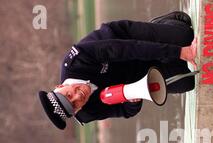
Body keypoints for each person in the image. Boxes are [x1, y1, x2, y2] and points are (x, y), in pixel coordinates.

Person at [38, 11, 197, 130]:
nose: (78, 96)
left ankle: (161, 25)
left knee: (185, 37)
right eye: (75, 104)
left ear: (60, 87)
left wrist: (180, 52)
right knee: (188, 82)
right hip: (136, 75)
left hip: (127, 40)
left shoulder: (78, 60)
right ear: (77, 111)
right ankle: (166, 52)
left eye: (69, 94)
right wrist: (132, 99)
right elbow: (124, 111)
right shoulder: (87, 114)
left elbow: (130, 49)